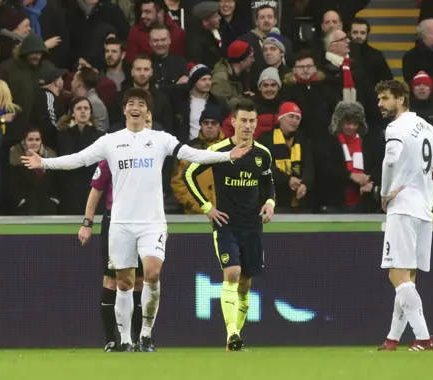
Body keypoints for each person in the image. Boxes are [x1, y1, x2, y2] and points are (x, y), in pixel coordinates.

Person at [22, 87, 250, 352]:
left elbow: (192, 154)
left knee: (152, 274)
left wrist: (226, 156)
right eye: (131, 103)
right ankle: (126, 340)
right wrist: (45, 162)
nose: (135, 107)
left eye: (141, 104)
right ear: (124, 109)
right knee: (124, 282)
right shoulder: (110, 141)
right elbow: (78, 159)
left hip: (152, 222)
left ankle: (146, 333)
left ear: (147, 111)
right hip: (120, 223)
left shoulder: (160, 139)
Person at [182, 98, 276, 351]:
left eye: (252, 121)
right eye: (243, 120)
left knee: (245, 284)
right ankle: (232, 333)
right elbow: (188, 174)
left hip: (253, 226)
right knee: (232, 273)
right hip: (226, 224)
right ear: (233, 122)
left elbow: (268, 184)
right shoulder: (219, 151)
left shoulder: (262, 154)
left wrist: (269, 202)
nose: (247, 125)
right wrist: (206, 207)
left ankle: (234, 337)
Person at [78, 112, 153, 352]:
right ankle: (113, 339)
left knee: (142, 282)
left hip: (146, 221)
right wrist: (87, 222)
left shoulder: (156, 154)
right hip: (117, 221)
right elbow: (96, 189)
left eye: (148, 122)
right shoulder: (114, 153)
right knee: (114, 281)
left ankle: (140, 338)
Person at [377, 80, 433, 351]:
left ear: (401, 99)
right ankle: (393, 339)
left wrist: (385, 192)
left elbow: (390, 160)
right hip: (424, 207)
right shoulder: (432, 131)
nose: (380, 104)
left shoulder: (396, 127)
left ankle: (424, 338)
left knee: (397, 275)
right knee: (408, 278)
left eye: (386, 98)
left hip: (402, 205)